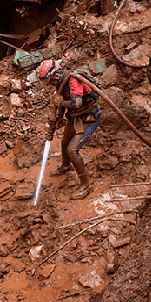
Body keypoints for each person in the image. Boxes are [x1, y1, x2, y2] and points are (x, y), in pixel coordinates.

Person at [37, 60, 101, 200]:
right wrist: (58, 117)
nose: (50, 85)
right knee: (65, 142)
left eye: (50, 81)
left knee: (72, 150)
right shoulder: (61, 82)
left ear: (55, 75)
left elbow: (76, 103)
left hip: (88, 118)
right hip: (74, 117)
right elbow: (61, 99)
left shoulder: (73, 80)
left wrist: (61, 103)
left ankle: (86, 184)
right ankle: (66, 166)